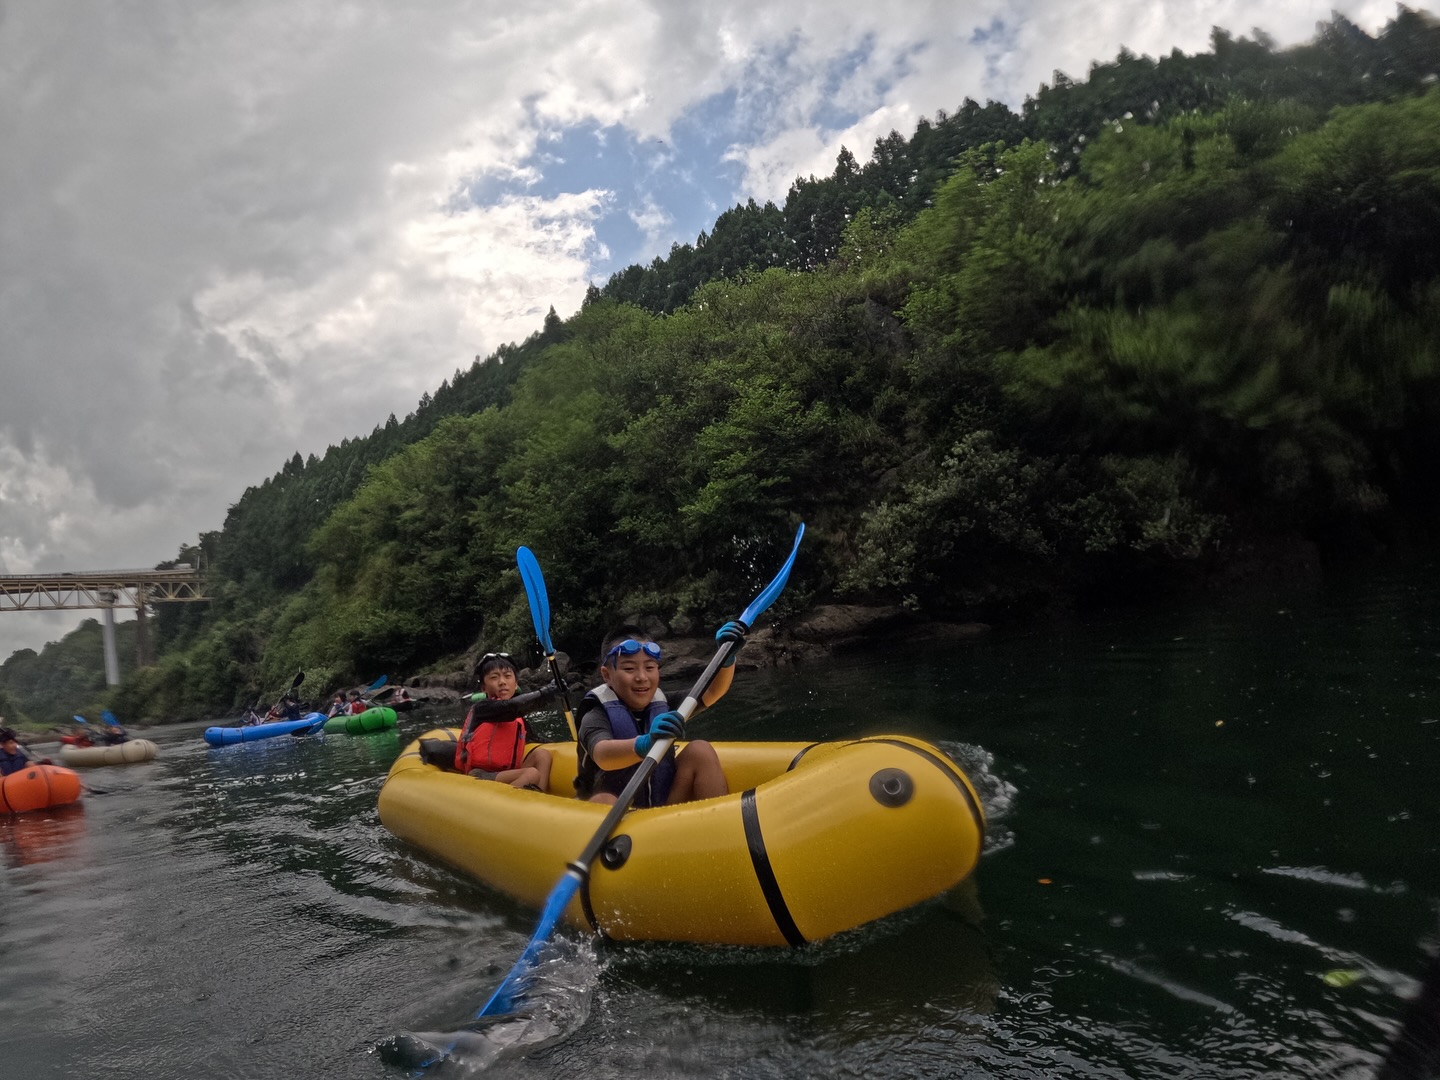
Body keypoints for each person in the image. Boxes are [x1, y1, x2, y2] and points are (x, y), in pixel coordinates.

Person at [575, 621, 744, 807]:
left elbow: (712, 693)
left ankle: (720, 824)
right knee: (603, 800)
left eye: (649, 667)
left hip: (662, 804)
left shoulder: (663, 702)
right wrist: (644, 744)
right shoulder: (594, 713)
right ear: (607, 675)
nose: (642, 677)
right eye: (629, 669)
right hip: (615, 810)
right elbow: (603, 755)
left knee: (700, 750)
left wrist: (726, 659)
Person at [454, 652, 557, 791]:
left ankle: (541, 797)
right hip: (480, 774)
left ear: (515, 684)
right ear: (483, 687)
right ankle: (513, 806)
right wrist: (546, 693)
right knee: (531, 773)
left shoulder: (518, 718)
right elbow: (509, 708)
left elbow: (535, 739)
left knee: (542, 755)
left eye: (508, 676)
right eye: (494, 677)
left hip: (506, 773)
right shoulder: (482, 709)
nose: (502, 682)